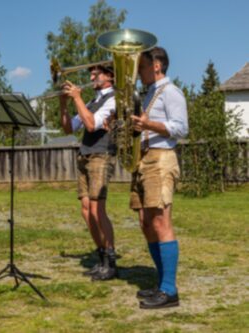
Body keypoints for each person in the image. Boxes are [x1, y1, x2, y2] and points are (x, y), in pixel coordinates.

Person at [130, 47, 188, 309]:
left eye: (141, 67)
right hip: (144, 159)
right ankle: (162, 282)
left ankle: (169, 291)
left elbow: (181, 128)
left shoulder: (171, 92)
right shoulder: (150, 93)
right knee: (145, 221)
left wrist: (148, 125)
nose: (137, 72)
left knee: (161, 220)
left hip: (161, 159)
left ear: (157, 66)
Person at [59, 63, 118, 281]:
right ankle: (101, 256)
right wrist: (63, 104)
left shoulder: (114, 99)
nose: (92, 76)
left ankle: (111, 261)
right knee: (86, 209)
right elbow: (69, 127)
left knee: (96, 209)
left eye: (97, 73)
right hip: (85, 154)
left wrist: (76, 98)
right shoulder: (93, 101)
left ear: (110, 76)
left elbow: (92, 125)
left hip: (101, 155)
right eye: (91, 72)